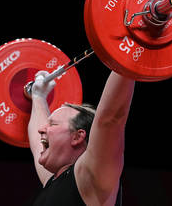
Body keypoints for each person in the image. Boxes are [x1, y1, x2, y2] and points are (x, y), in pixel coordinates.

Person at [28, 70, 135, 206]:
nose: (41, 129)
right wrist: (38, 95)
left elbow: (110, 119)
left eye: (53, 124)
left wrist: (127, 58)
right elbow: (37, 144)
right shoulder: (55, 180)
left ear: (77, 136)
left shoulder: (91, 177)